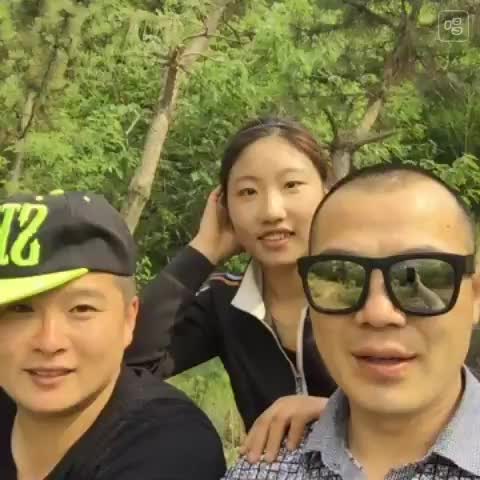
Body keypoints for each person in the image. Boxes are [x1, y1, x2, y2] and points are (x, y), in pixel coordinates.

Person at [223, 163, 480, 479]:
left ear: (475, 297)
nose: (378, 313)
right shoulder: (260, 471)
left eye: (423, 275)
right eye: (341, 277)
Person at [126, 116, 337, 462]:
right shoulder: (225, 302)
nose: (271, 211)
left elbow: (431, 403)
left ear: (328, 193)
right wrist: (204, 249)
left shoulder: (373, 291)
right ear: (225, 207)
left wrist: (334, 412)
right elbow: (128, 364)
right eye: (248, 192)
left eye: (292, 185)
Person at [0, 190, 226, 480]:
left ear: (129, 320)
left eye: (82, 308)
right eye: (20, 309)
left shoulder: (170, 448)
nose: (49, 342)